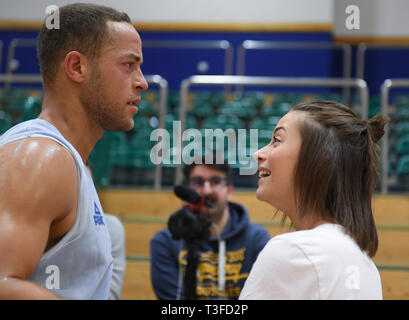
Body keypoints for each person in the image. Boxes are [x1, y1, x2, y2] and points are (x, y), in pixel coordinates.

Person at [0, 3, 147, 299]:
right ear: (77, 67)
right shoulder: (41, 157)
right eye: (128, 65)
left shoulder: (65, 159)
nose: (142, 81)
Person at [239, 100, 389, 300]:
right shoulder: (366, 265)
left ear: (323, 159)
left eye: (277, 140)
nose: (259, 153)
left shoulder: (295, 251)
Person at [150, 156, 271, 300]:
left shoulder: (256, 239)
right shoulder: (165, 241)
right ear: (187, 191)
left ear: (229, 191)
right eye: (198, 182)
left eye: (215, 181)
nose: (206, 191)